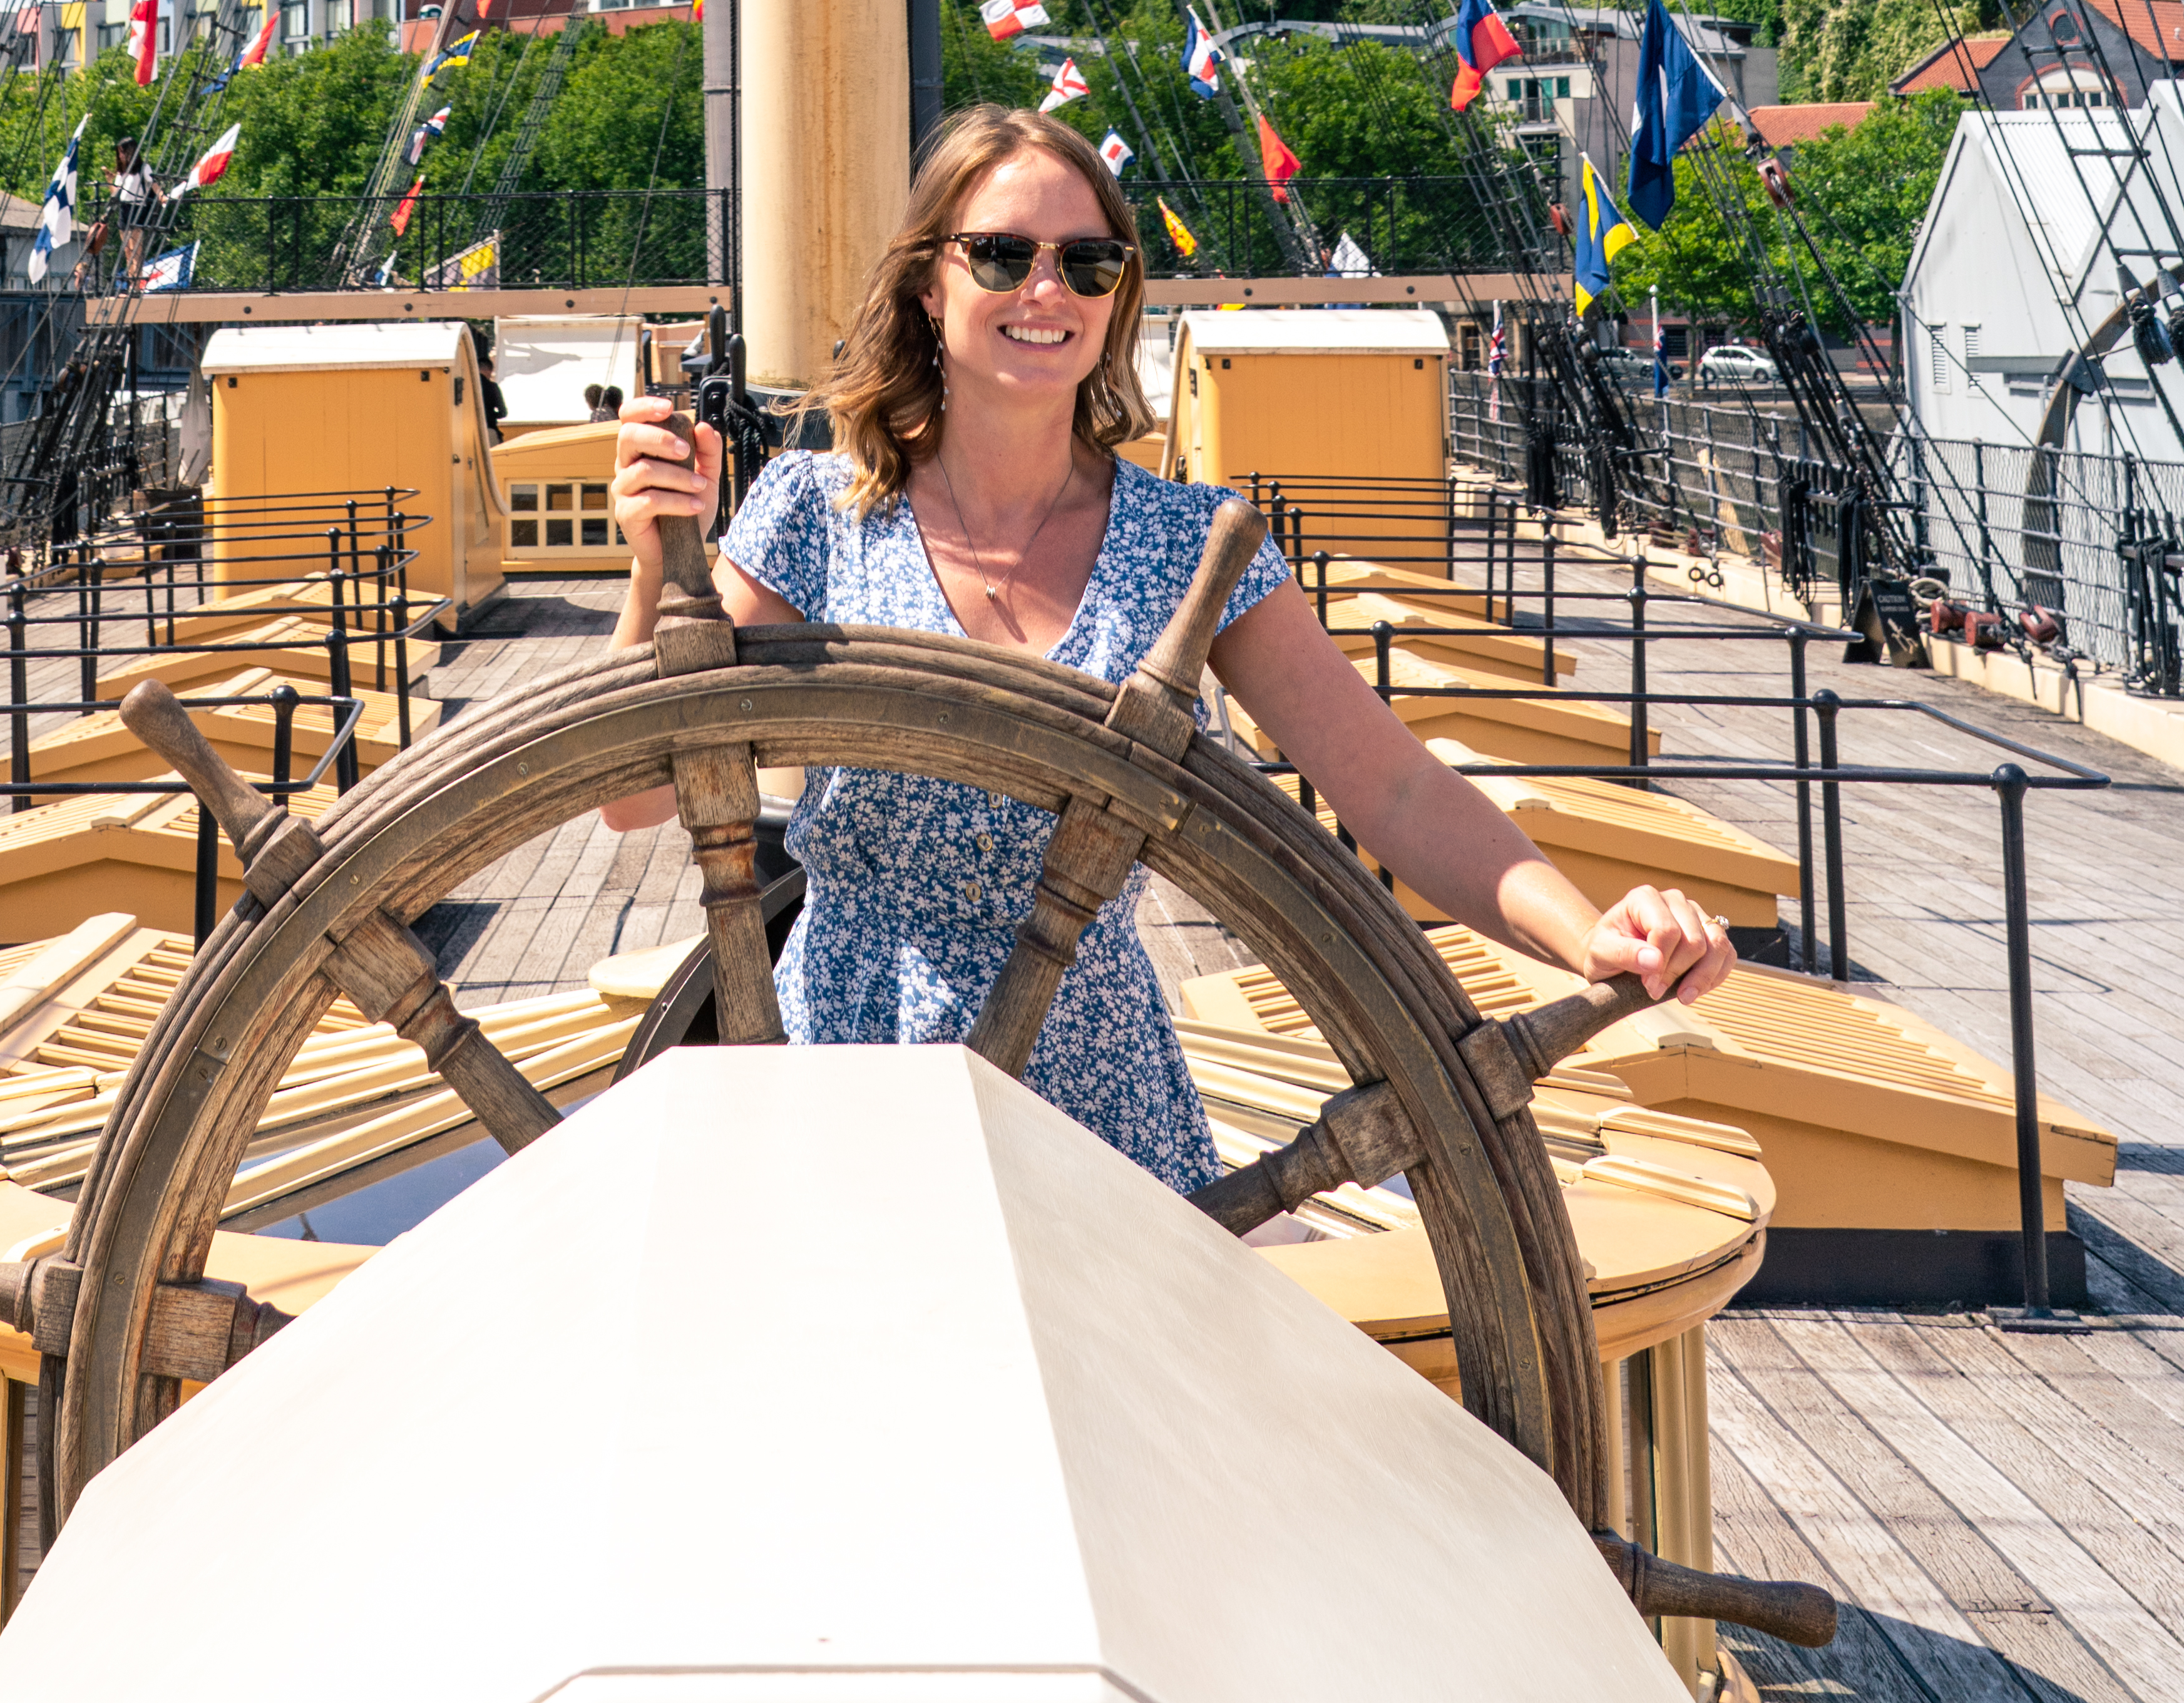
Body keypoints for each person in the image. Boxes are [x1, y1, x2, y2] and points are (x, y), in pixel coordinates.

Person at [605, 102, 1731, 1198]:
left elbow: (1392, 788)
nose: (1047, 291)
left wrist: (1593, 934)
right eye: (1002, 256)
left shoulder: (1192, 548)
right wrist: (660, 564)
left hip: (1092, 1101)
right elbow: (634, 798)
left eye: (1087, 263)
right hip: (845, 1069)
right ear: (926, 282)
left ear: (1118, 295)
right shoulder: (817, 510)